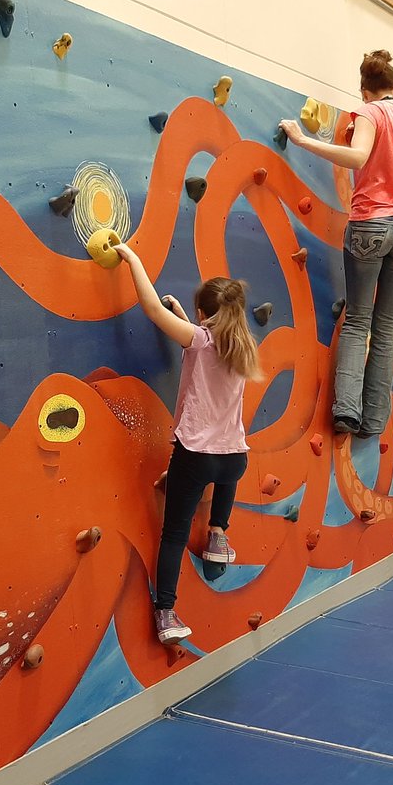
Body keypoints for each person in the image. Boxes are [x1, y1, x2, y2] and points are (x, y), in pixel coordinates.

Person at [111, 242, 260, 646]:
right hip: (232, 460)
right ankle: (218, 535)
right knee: (222, 477)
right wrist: (185, 317)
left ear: (202, 315)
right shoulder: (242, 345)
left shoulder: (201, 340)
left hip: (195, 457)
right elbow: (198, 349)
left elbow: (153, 312)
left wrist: (135, 260)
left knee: (174, 533)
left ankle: (165, 612)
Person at [280, 50, 393, 437]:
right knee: (386, 327)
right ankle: (375, 420)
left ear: (364, 92)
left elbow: (360, 156)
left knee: (358, 320)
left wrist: (301, 139)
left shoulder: (369, 113)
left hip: (372, 223)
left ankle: (347, 411)